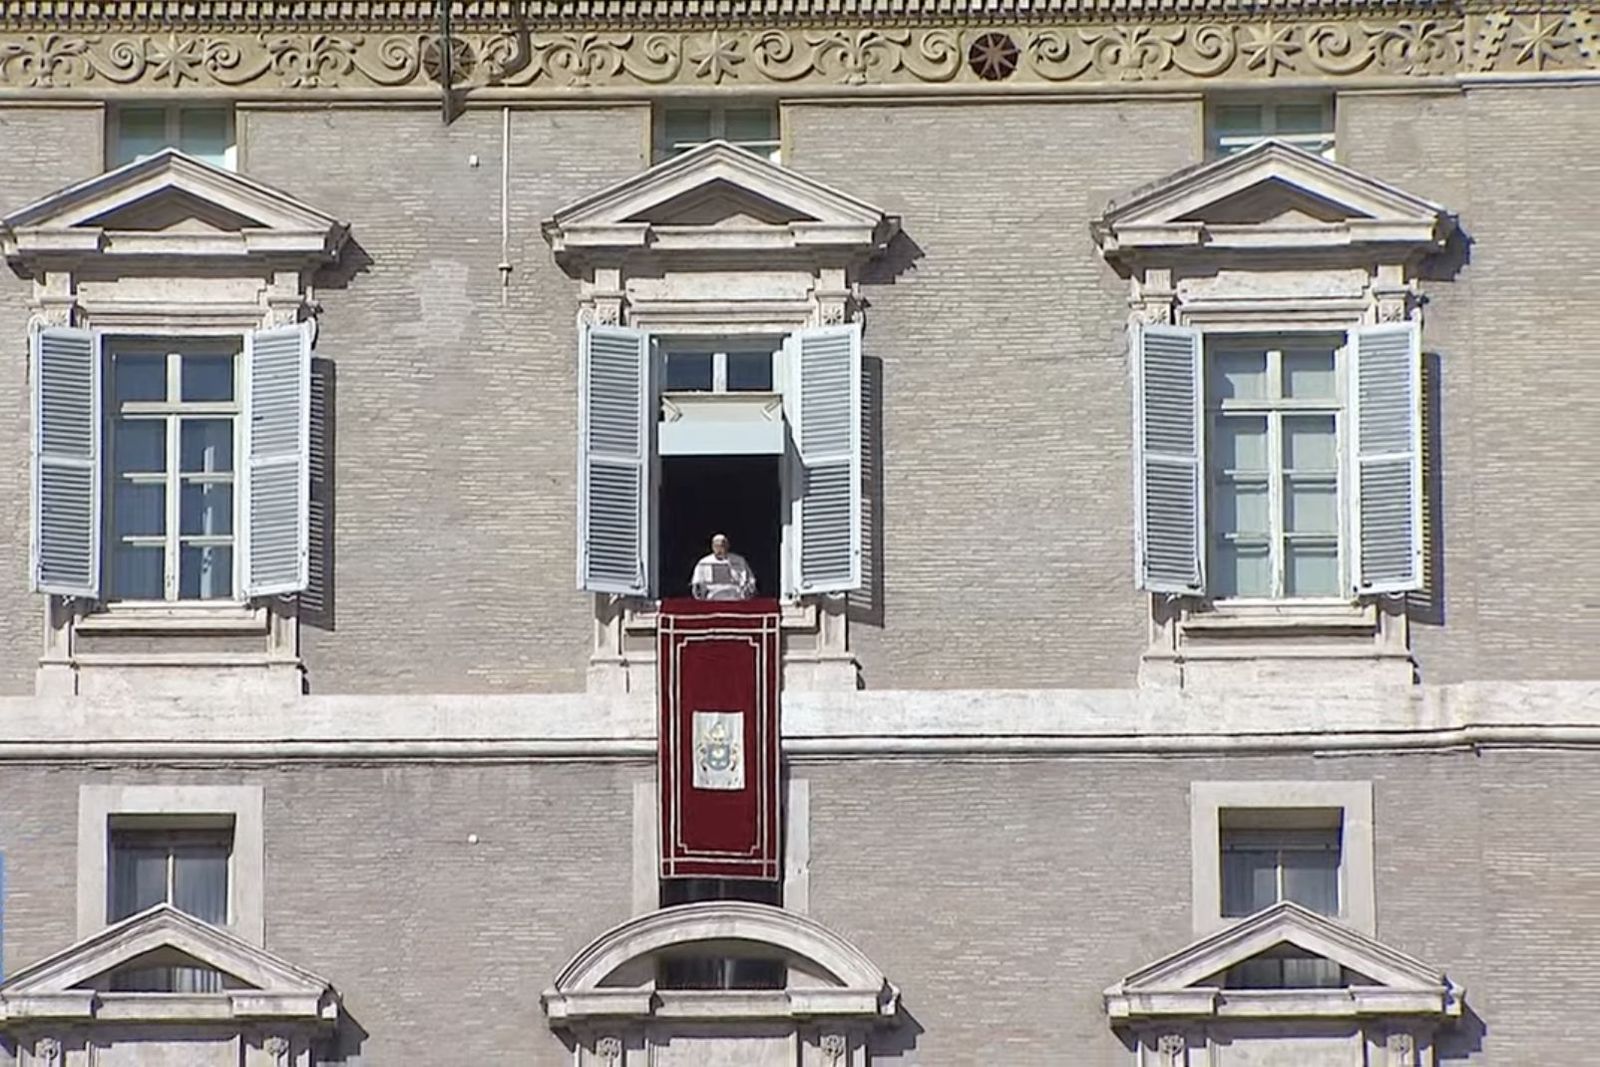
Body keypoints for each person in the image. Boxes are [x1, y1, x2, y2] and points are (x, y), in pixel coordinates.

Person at [690, 534, 757, 600]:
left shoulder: (739, 561)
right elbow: (697, 584)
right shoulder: (703, 563)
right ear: (712, 547)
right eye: (717, 546)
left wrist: (748, 589)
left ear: (728, 546)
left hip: (735, 596)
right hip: (712, 597)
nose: (719, 549)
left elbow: (750, 580)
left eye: (722, 546)